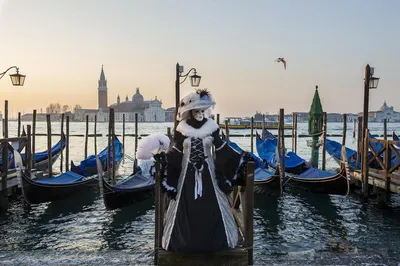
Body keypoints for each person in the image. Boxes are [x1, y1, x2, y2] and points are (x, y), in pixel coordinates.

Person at [161, 89, 252, 253]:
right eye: (197, 110)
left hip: (208, 173)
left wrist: (241, 159)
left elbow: (223, 150)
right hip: (186, 176)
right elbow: (176, 152)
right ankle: (182, 240)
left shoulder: (212, 128)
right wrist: (164, 160)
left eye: (203, 110)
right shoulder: (182, 130)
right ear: (190, 112)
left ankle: (216, 239)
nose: (200, 113)